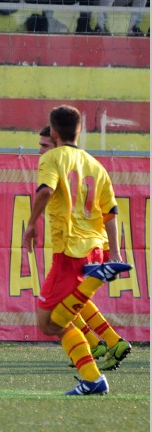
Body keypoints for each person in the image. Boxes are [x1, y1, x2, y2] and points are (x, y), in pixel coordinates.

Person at [22, 105, 132, 395]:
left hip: (70, 250)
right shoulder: (95, 165)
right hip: (95, 248)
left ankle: (94, 282)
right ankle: (92, 378)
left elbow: (46, 191)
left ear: (54, 133)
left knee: (48, 323)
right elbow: (111, 212)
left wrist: (31, 224)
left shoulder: (52, 158)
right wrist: (115, 253)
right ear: (79, 131)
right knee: (63, 316)